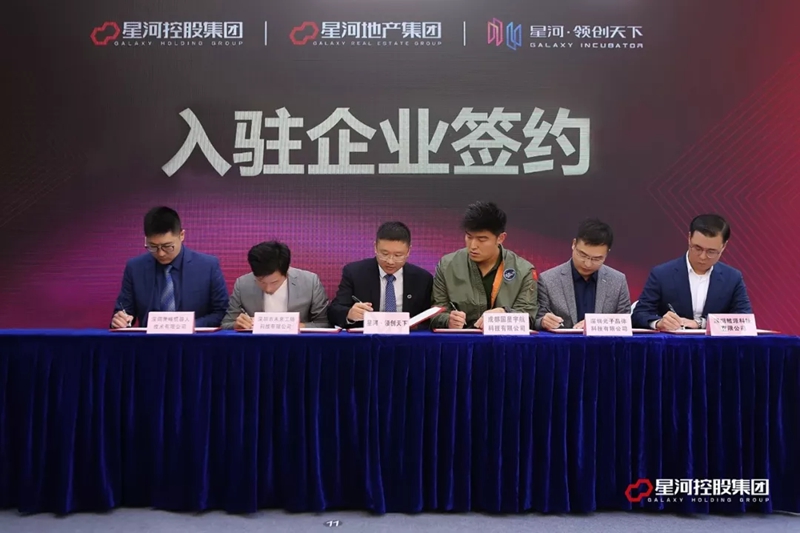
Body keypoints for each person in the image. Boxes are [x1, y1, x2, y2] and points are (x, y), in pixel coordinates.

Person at [111, 206, 228, 328]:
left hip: (194, 337)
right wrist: (120, 320)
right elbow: (125, 310)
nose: (160, 253)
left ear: (181, 235)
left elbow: (222, 313)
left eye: (167, 246)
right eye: (153, 246)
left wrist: (188, 325)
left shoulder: (208, 266)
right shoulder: (135, 268)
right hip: (149, 338)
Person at [632, 214, 752, 331]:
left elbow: (744, 318)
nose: (703, 256)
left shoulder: (732, 278)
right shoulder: (662, 274)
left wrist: (701, 323)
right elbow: (640, 314)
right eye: (697, 248)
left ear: (724, 246)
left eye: (711, 252)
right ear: (689, 238)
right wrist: (659, 323)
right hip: (673, 342)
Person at [430, 201, 538, 330]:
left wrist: (505, 314)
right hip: (462, 339)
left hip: (505, 340)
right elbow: (435, 313)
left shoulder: (524, 271)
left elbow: (529, 317)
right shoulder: (447, 266)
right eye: (469, 237)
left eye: (482, 239)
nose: (473, 246)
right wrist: (448, 320)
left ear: (500, 238)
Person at [327, 221, 434, 329]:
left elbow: (429, 320)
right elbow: (334, 311)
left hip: (408, 338)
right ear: (375, 247)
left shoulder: (422, 279)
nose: (390, 261)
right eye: (384, 254)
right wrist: (349, 314)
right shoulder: (354, 273)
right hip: (367, 337)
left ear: (408, 251)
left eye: (398, 255)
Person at [536, 219, 631, 330]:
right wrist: (543, 321)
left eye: (596, 259)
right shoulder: (548, 280)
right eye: (582, 255)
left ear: (607, 253)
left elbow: (625, 321)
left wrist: (595, 323)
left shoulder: (618, 281)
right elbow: (537, 319)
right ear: (573, 244)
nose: (587, 264)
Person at [221, 241, 329, 329]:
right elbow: (226, 324)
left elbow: (324, 323)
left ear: (286, 272)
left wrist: (300, 326)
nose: (268, 289)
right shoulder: (242, 284)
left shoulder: (310, 282)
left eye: (274, 282)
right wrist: (237, 325)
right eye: (261, 282)